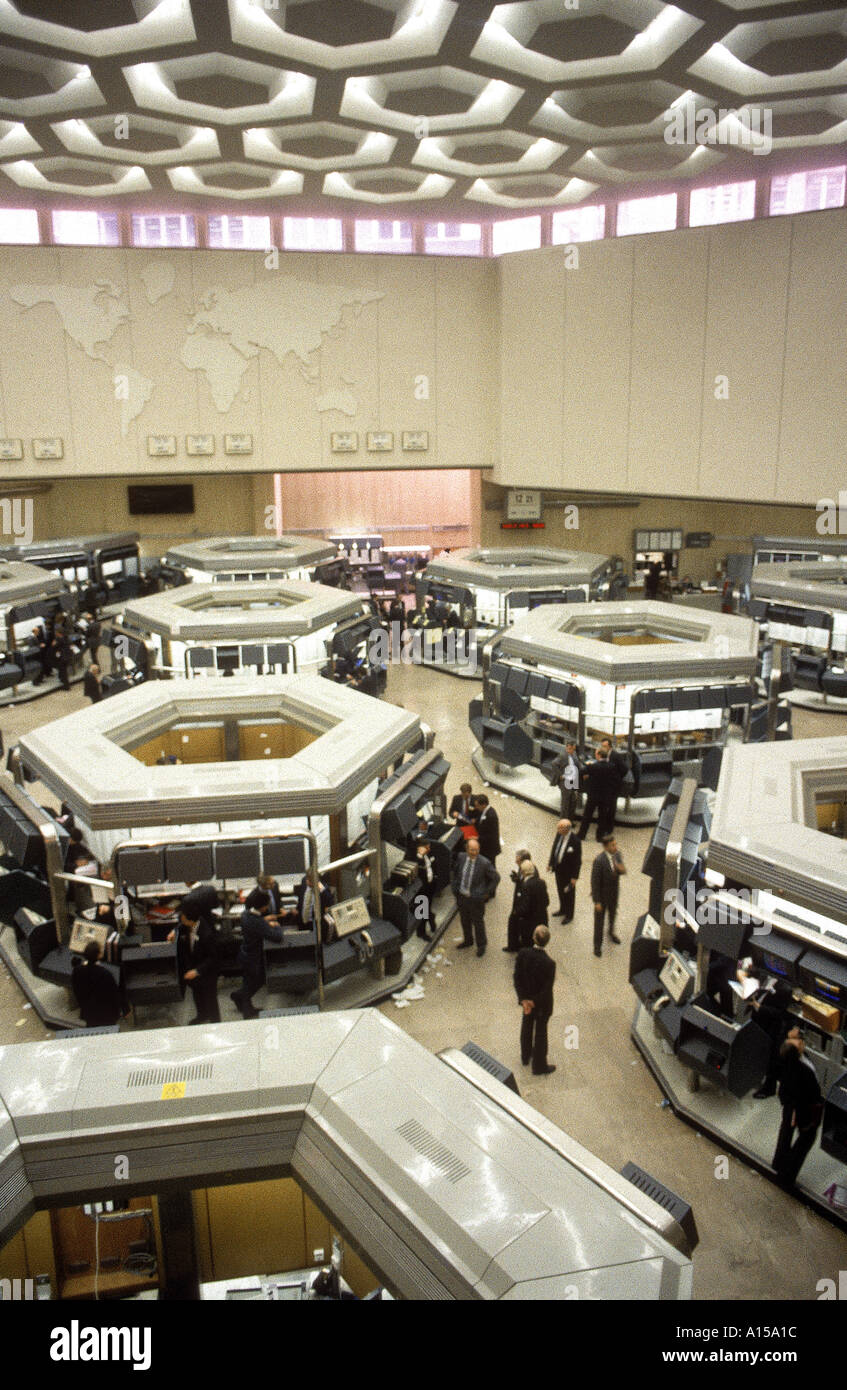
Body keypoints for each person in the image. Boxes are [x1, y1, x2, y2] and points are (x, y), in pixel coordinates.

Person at [772, 1027, 823, 1188]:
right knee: (806, 1139)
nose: (801, 1041)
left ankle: (778, 1164)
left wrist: (788, 1035)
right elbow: (810, 1095)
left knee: (786, 1133)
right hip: (802, 1109)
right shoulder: (803, 1071)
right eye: (799, 1042)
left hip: (791, 1104)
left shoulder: (787, 1059)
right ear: (796, 1051)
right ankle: (786, 1176)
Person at [231, 888, 283, 1019]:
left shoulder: (246, 914)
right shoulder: (257, 922)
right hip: (254, 958)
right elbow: (277, 937)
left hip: (246, 954)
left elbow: (257, 924)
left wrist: (265, 921)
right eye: (266, 905)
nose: (267, 907)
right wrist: (276, 925)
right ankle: (246, 1010)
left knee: (249, 982)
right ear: (262, 906)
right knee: (255, 981)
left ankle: (240, 998)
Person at [514, 925, 557, 1076]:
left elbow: (517, 978)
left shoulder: (523, 954)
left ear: (533, 937)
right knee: (540, 1033)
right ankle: (539, 1065)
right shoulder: (549, 964)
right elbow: (547, 989)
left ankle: (525, 1056)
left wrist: (524, 1000)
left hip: (526, 1001)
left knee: (526, 1025)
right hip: (541, 1005)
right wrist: (534, 1002)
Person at [169, 906, 221, 1024]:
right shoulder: (189, 924)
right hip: (194, 966)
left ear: (190, 920)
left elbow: (213, 958)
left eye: (182, 918)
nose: (180, 921)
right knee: (197, 995)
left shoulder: (207, 934)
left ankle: (215, 1022)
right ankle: (202, 1015)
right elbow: (180, 925)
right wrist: (174, 931)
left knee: (210, 999)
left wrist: (197, 971)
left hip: (207, 972)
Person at [451, 837, 499, 958]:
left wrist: (486, 893)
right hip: (462, 897)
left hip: (476, 899)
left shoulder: (484, 863)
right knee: (464, 920)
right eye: (472, 850)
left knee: (478, 923)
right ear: (466, 849)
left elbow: (496, 878)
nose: (474, 852)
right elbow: (456, 872)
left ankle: (481, 945)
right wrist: (455, 886)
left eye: (477, 850)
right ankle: (468, 940)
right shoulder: (461, 857)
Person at [751, 980, 794, 1099]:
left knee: (771, 1059)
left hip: (771, 1027)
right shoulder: (767, 976)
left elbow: (781, 1013)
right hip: (757, 1020)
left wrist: (759, 1007)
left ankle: (769, 1088)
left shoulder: (785, 987)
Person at [71, 940, 124, 1027]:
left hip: (89, 1013)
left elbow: (77, 990)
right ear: (99, 955)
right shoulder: (105, 973)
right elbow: (114, 995)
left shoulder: (77, 971)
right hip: (106, 1015)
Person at [590, 834, 626, 958]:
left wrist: (620, 869)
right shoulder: (599, 861)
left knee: (612, 915)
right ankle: (597, 946)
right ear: (605, 847)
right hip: (602, 897)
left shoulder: (617, 855)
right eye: (612, 845)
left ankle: (611, 933)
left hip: (613, 894)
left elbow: (622, 871)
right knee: (599, 922)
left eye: (616, 844)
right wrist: (597, 902)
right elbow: (594, 882)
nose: (615, 847)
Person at [504, 859, 548, 953]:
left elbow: (525, 906)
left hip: (528, 922)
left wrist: (517, 911)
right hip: (541, 918)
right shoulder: (541, 882)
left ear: (523, 872)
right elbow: (547, 901)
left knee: (527, 942)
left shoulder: (526, 886)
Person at [578, 747, 617, 841]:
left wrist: (586, 779)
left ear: (599, 755)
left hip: (593, 795)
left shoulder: (593, 766)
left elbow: (580, 772)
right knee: (602, 816)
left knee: (587, 815)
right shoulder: (612, 766)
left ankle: (582, 835)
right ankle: (599, 836)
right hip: (605, 796)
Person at [547, 818, 581, 923]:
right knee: (560, 890)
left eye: (559, 828)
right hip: (558, 869)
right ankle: (562, 909)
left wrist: (574, 877)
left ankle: (569, 915)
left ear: (566, 829)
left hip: (568, 873)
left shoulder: (575, 841)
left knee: (569, 894)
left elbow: (577, 861)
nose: (557, 829)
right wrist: (551, 863)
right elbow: (555, 849)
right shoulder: (559, 835)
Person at [548, 741, 582, 820]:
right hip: (565, 781)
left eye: (572, 749)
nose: (570, 750)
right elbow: (553, 764)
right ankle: (563, 821)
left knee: (573, 801)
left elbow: (578, 764)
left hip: (573, 781)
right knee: (565, 803)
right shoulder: (563, 755)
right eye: (569, 748)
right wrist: (560, 775)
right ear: (567, 747)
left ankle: (570, 820)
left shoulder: (574, 754)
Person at [413, 834, 436, 940]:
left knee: (427, 908)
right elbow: (419, 867)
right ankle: (421, 932)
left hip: (430, 886)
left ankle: (430, 917)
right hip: (421, 890)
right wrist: (420, 856)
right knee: (421, 912)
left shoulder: (428, 854)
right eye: (427, 847)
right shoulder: (416, 858)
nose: (429, 849)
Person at [472, 794, 500, 871]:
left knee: (490, 865)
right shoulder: (484, 811)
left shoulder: (491, 816)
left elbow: (491, 836)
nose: (476, 808)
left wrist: (477, 838)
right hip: (484, 845)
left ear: (484, 805)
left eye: (478, 806)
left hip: (490, 848)